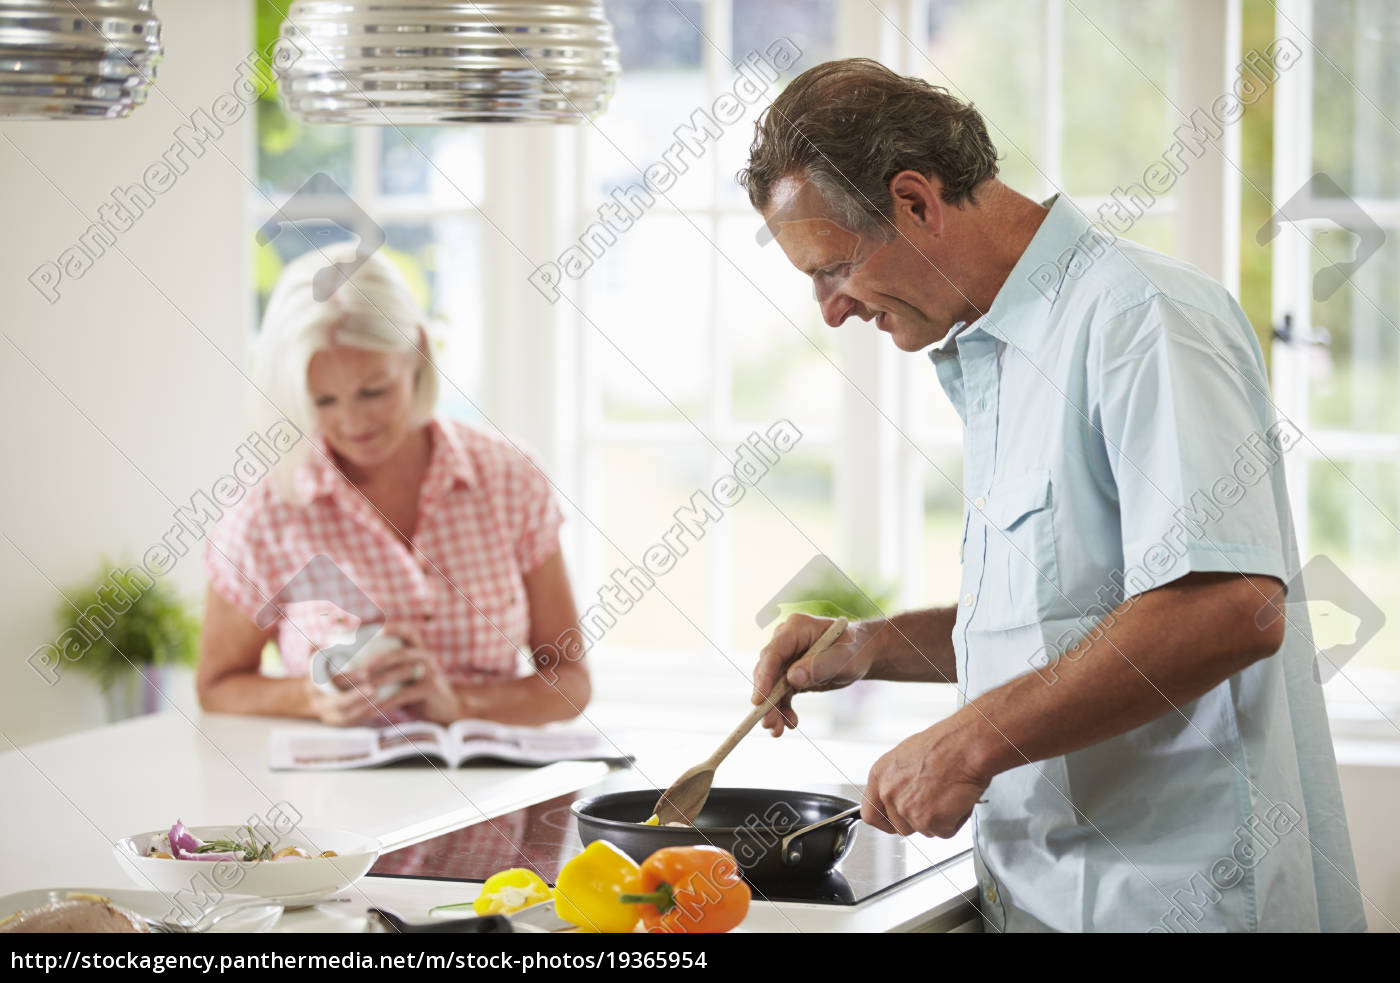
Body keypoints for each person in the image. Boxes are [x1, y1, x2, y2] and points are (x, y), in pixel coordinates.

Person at [742, 58, 1365, 932]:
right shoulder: (998, 347)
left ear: (916, 201)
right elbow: (1073, 616)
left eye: (833, 268)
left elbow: (1232, 607)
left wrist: (968, 740)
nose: (830, 311)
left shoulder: (1140, 317)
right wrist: (870, 646)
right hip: (1043, 899)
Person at [197, 247, 590, 727]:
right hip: (336, 797)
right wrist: (310, 697)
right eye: (323, 400)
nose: (353, 422)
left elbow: (570, 681)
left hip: (488, 789)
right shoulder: (266, 506)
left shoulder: (508, 477)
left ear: (418, 355)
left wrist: (460, 704)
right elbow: (217, 686)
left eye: (374, 390)